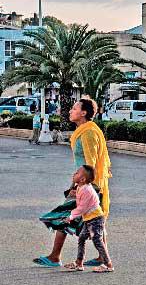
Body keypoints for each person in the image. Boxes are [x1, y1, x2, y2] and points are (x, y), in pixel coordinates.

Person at [34, 98, 112, 268]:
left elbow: (90, 164)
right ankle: (102, 257)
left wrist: (82, 187)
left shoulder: (89, 133)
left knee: (65, 216)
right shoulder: (82, 131)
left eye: (75, 108)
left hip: (88, 184)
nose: (70, 111)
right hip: (83, 182)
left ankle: (55, 256)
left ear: (84, 113)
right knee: (95, 218)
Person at [61, 165, 114, 273]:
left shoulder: (86, 190)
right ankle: (79, 263)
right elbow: (81, 199)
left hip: (96, 219)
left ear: (82, 179)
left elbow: (82, 208)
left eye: (77, 173)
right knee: (81, 238)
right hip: (89, 219)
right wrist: (74, 193)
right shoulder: (81, 187)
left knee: (97, 240)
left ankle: (108, 264)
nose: (74, 174)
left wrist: (70, 217)